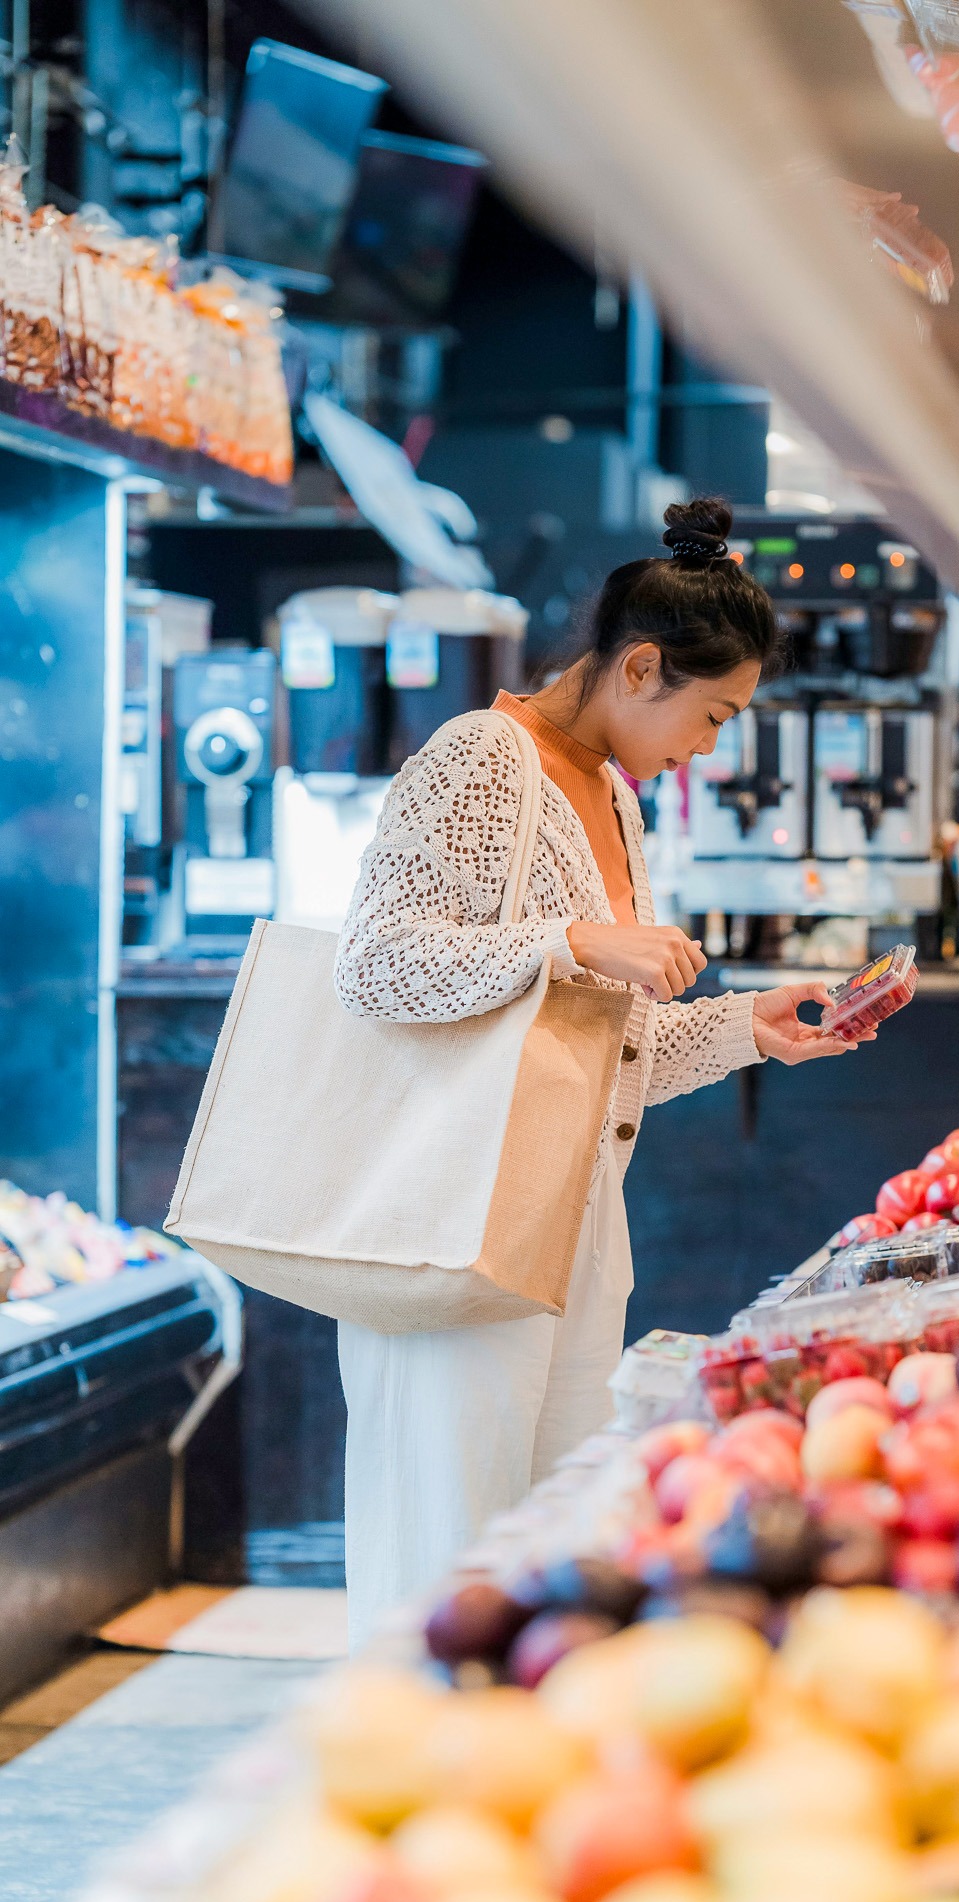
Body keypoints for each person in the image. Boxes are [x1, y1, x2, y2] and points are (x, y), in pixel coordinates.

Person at [333, 496, 875, 1645]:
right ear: (640, 668)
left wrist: (747, 1028)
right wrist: (575, 941)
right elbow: (375, 968)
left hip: (576, 1228)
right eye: (714, 713)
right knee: (449, 1553)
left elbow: (601, 1047)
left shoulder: (617, 800)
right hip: (457, 1226)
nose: (711, 747)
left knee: (552, 1554)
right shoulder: (483, 757)